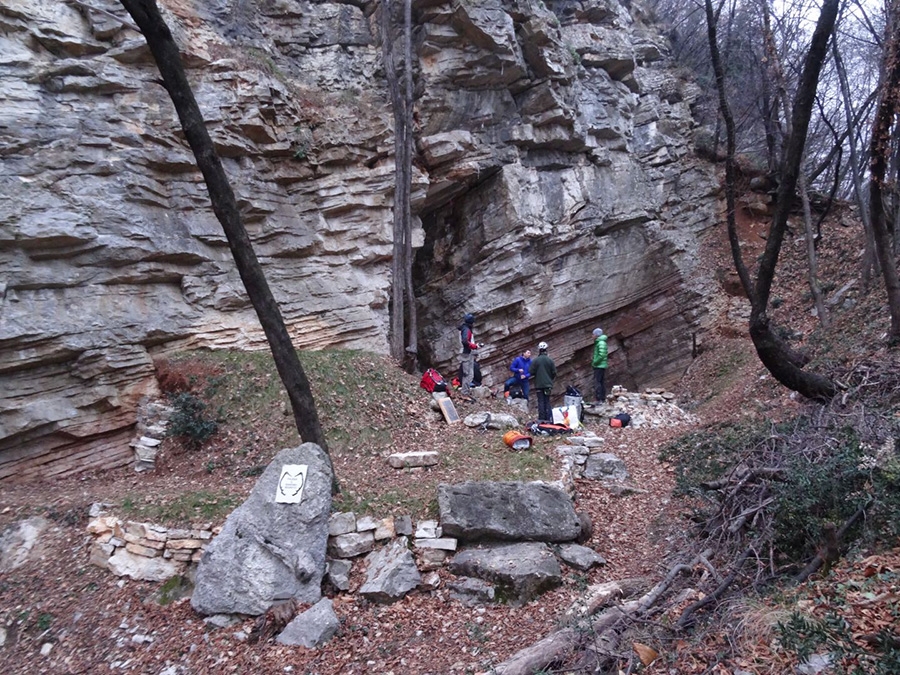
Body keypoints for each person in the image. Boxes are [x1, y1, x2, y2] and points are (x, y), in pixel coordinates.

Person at [529, 341, 557, 422]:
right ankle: (549, 419)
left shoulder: (536, 360)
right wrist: (550, 379)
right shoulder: (550, 360)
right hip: (548, 384)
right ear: (546, 349)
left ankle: (541, 419)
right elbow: (554, 372)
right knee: (547, 401)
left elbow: (531, 372)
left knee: (541, 401)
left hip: (539, 384)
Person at [458, 313, 478, 396]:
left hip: (466, 352)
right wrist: (474, 346)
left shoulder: (463, 328)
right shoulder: (466, 330)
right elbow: (465, 341)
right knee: (467, 374)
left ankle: (466, 391)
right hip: (465, 353)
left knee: (470, 373)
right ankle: (464, 392)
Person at [591, 328, 608, 403]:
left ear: (596, 335)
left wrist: (595, 362)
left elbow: (601, 355)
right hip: (601, 365)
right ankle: (602, 398)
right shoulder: (601, 342)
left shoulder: (600, 343)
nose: (592, 336)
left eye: (593, 334)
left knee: (598, 382)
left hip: (599, 366)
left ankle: (599, 399)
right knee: (601, 382)